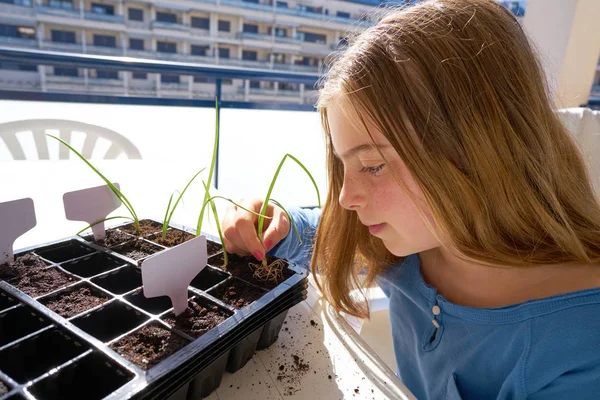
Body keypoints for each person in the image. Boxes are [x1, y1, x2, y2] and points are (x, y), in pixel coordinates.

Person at [221, 0, 600, 398]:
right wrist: (274, 226)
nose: (347, 197)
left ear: (477, 150)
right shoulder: (413, 246)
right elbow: (323, 235)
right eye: (343, 165)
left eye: (372, 166)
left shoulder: (579, 353)